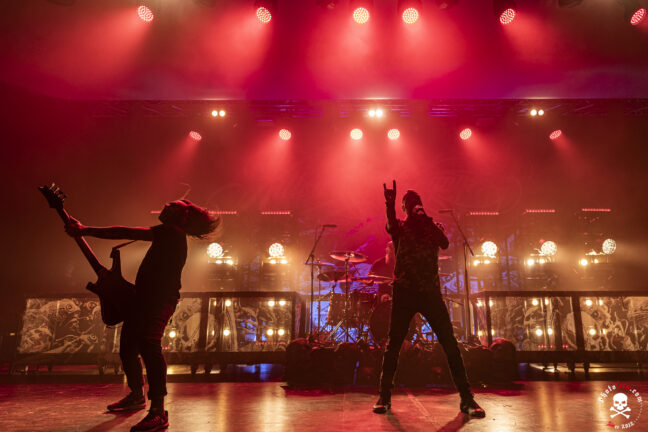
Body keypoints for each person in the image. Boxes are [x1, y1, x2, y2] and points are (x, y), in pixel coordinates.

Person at [65, 200, 220, 432]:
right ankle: (137, 395)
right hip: (143, 299)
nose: (166, 204)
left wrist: (85, 230)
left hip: (159, 301)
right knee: (127, 348)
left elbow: (126, 232)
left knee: (149, 345)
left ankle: (158, 411)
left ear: (182, 217)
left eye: (173, 205)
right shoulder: (169, 234)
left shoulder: (172, 232)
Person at [372, 181, 485, 418]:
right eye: (411, 204)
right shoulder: (400, 227)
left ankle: (467, 398)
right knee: (394, 345)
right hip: (405, 292)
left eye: (418, 203)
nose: (416, 206)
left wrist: (429, 221)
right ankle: (384, 395)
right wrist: (389, 205)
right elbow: (390, 225)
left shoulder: (431, 227)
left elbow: (444, 243)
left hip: (430, 293)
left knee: (450, 343)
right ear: (405, 208)